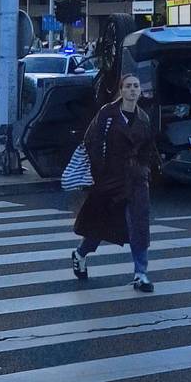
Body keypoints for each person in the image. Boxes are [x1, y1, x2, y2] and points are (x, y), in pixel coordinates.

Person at [71, 73, 156, 292]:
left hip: (136, 180)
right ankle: (80, 253)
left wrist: (144, 170)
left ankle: (141, 274)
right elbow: (92, 141)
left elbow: (148, 149)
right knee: (100, 225)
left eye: (136, 86)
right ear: (121, 90)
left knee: (139, 227)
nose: (133, 90)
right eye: (128, 86)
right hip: (109, 179)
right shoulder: (107, 114)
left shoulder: (143, 118)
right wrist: (99, 172)